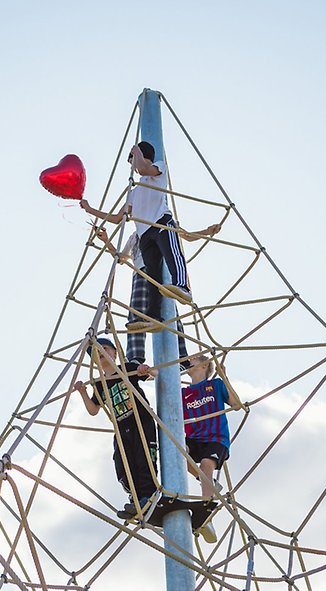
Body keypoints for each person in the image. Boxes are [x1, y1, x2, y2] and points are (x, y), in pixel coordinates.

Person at [80, 141, 193, 332]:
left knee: (173, 253)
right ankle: (153, 316)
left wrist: (136, 152)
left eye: (132, 160)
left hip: (160, 222)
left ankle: (183, 286)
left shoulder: (158, 169)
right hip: (144, 233)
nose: (132, 166)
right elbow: (117, 219)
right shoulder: (134, 192)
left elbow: (142, 169)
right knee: (152, 275)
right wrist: (90, 209)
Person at [93, 224, 221, 368]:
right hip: (140, 273)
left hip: (161, 273)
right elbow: (121, 258)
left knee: (170, 314)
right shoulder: (134, 236)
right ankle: (135, 357)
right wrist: (106, 240)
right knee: (136, 314)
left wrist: (207, 232)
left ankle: (181, 357)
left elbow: (187, 236)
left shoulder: (162, 225)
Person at [74, 337, 158, 517]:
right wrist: (83, 393)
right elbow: (93, 410)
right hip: (121, 429)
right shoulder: (99, 383)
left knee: (143, 458)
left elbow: (153, 374)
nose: (101, 353)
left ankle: (149, 495)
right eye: (96, 353)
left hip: (141, 422)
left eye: (104, 348)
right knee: (123, 464)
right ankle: (135, 499)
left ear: (115, 353)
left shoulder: (126, 369)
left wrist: (145, 370)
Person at [181, 354, 242, 499]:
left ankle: (206, 502)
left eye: (192, 359)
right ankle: (207, 482)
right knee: (177, 454)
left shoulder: (215, 385)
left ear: (204, 365)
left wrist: (224, 378)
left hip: (216, 437)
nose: (188, 361)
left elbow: (237, 405)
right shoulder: (183, 393)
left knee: (206, 464)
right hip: (194, 438)